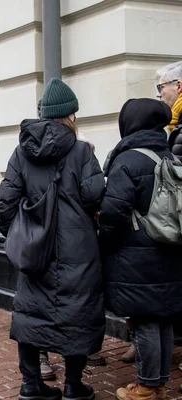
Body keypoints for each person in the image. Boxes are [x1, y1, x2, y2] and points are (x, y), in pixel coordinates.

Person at [0, 78, 105, 400]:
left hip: (34, 248)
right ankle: (73, 386)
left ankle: (31, 385)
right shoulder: (83, 150)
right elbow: (94, 195)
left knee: (30, 313)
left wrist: (18, 233)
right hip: (79, 248)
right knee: (78, 313)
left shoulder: (22, 151)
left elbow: (6, 200)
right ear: (70, 115)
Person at [99, 99, 182, 400]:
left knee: (145, 320)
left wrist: (105, 242)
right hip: (170, 250)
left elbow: (113, 212)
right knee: (163, 319)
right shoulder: (170, 155)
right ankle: (158, 382)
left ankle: (146, 387)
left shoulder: (127, 161)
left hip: (136, 256)